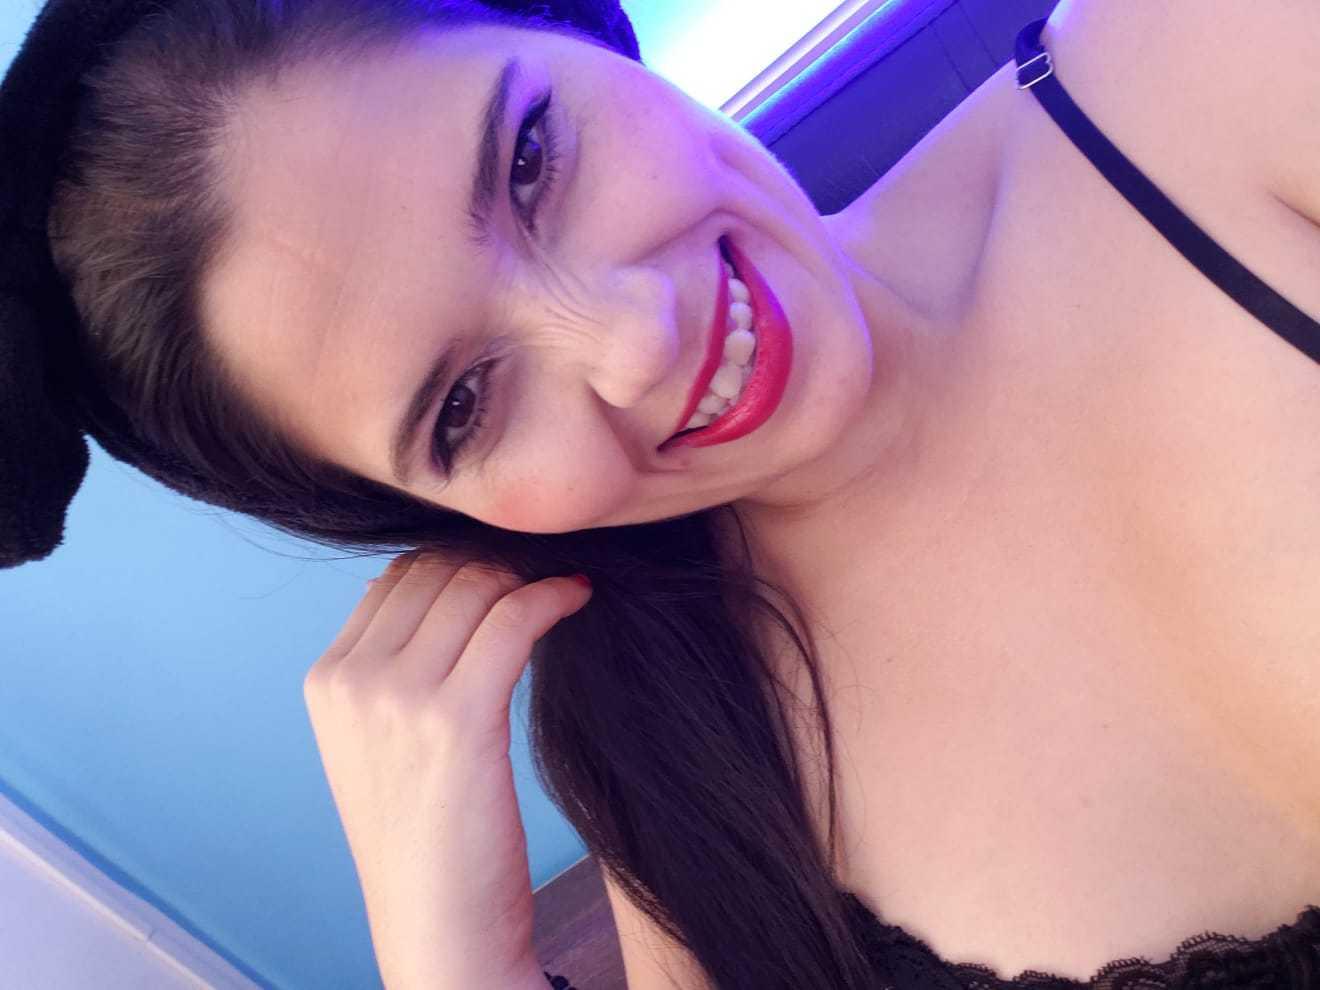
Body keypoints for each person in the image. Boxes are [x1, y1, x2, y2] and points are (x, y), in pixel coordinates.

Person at [2, 1, 1318, 988]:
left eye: (531, 158)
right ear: (437, 512)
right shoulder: (676, 745)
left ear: (573, 27)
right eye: (462, 406)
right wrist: (450, 956)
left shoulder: (1197, 70)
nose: (633, 343)